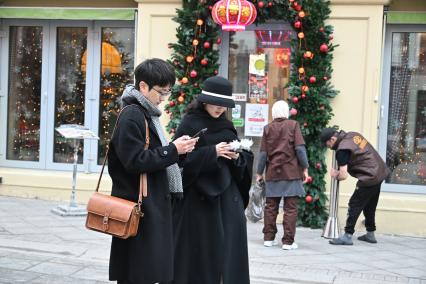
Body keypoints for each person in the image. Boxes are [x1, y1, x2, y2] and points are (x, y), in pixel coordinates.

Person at [108, 58, 198, 284]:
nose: (164, 99)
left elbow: (155, 155)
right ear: (143, 86)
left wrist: (179, 151)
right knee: (137, 273)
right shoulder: (132, 115)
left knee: (146, 271)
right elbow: (134, 160)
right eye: (161, 92)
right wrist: (172, 150)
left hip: (151, 206)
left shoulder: (148, 114)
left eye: (168, 93)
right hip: (139, 208)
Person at [171, 76, 254, 284]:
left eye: (224, 105)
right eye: (216, 104)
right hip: (197, 204)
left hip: (227, 201)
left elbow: (242, 163)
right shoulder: (190, 123)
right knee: (198, 256)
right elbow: (179, 161)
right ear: (204, 101)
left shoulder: (226, 125)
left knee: (228, 254)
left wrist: (238, 157)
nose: (219, 109)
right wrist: (212, 153)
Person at [320, 127, 390, 245]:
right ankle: (370, 234)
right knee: (369, 204)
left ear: (332, 139)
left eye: (327, 144)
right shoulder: (352, 135)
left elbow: (343, 175)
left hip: (370, 176)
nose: (328, 147)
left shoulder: (342, 150)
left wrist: (335, 174)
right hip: (380, 171)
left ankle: (347, 236)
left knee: (354, 204)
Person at [256, 100, 309, 250]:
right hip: (291, 172)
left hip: (273, 172)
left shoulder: (267, 128)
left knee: (271, 207)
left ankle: (268, 238)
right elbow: (300, 149)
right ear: (286, 112)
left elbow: (263, 154)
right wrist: (305, 167)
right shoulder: (293, 125)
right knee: (290, 208)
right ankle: (288, 242)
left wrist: (259, 173)